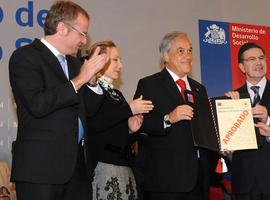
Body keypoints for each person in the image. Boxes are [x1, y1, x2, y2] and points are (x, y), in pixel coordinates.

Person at [8, 1, 108, 200]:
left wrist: (93, 81)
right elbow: (37, 105)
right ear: (62, 28)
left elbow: (90, 112)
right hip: (41, 170)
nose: (84, 40)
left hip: (77, 168)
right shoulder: (25, 57)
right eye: (82, 33)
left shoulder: (73, 63)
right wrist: (80, 79)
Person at [133, 31, 210, 200]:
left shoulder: (199, 89)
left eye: (190, 50)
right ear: (166, 56)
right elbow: (138, 125)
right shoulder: (149, 84)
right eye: (181, 51)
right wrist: (168, 119)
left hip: (198, 178)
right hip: (166, 179)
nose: (188, 56)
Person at [83, 40, 153, 200]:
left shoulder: (117, 94)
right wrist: (128, 109)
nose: (120, 65)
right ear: (100, 61)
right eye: (115, 60)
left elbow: (117, 133)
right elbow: (94, 124)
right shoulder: (91, 91)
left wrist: (131, 130)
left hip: (125, 167)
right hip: (103, 167)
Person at [225, 42, 270, 200]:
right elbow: (226, 142)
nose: (258, 62)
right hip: (245, 181)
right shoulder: (231, 98)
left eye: (261, 58)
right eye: (252, 59)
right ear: (242, 67)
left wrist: (268, 121)